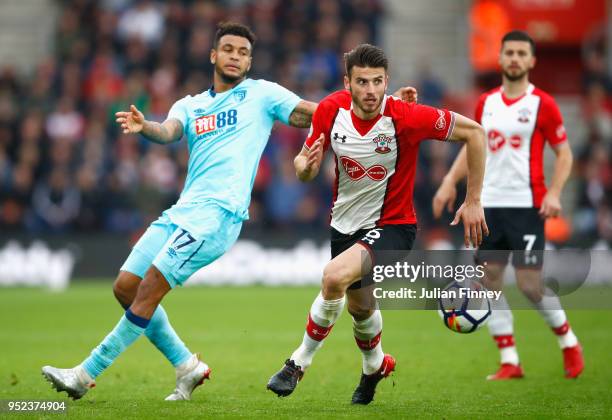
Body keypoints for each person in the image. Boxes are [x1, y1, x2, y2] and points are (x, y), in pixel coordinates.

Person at [41, 22, 416, 401]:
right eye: (229, 49)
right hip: (181, 211)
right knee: (125, 287)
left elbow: (319, 113)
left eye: (243, 52)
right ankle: (188, 367)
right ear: (213, 55)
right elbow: (170, 131)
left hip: (218, 215)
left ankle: (84, 373)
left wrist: (383, 105)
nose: (236, 56)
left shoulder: (261, 94)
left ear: (250, 61)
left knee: (149, 290)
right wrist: (146, 127)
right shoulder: (190, 104)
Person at [267, 44, 487, 404]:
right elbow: (304, 168)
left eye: (377, 82)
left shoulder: (406, 116)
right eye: (362, 82)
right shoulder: (328, 110)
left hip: (394, 225)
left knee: (333, 277)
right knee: (360, 309)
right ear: (347, 83)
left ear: (387, 82)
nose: (370, 90)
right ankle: (375, 366)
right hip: (344, 226)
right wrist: (304, 167)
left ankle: (297, 363)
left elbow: (475, 133)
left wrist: (473, 199)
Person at [432, 30, 584, 380]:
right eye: (509, 52)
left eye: (521, 53)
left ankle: (569, 343)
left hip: (526, 205)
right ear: (500, 59)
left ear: (531, 61)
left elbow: (564, 153)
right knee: (489, 283)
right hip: (487, 206)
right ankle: (510, 360)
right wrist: (447, 182)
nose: (514, 58)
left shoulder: (542, 104)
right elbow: (473, 147)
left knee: (531, 285)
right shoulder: (486, 103)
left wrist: (555, 192)